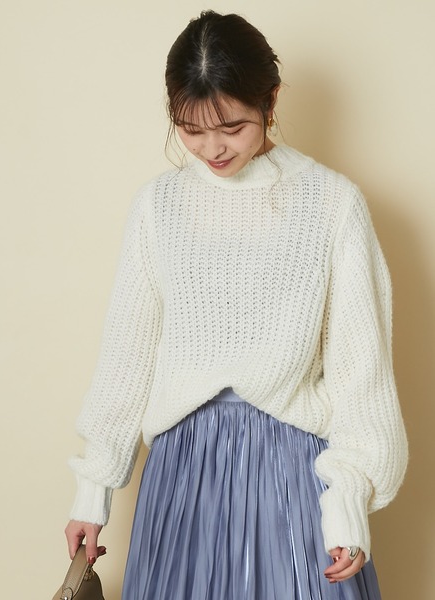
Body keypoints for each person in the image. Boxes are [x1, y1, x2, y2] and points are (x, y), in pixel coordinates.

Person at [65, 10, 408, 599]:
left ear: (270, 101)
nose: (212, 148)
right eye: (190, 129)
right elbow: (128, 357)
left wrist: (349, 498)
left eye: (231, 126)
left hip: (294, 470)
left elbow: (361, 372)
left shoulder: (333, 204)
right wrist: (91, 495)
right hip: (182, 473)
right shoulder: (158, 207)